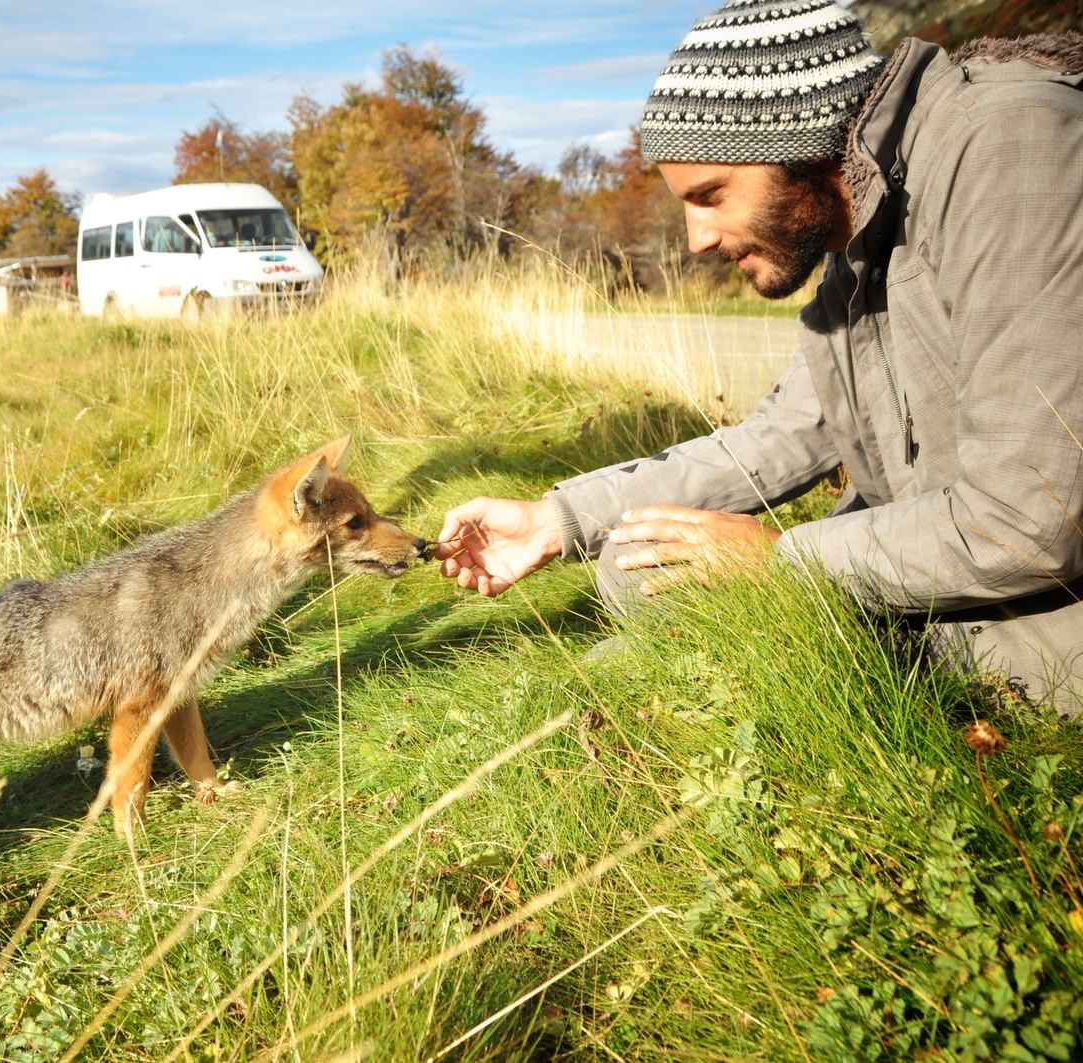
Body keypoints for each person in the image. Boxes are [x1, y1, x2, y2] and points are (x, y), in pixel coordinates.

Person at [435, 2, 1083, 716]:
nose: (696, 240)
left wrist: (780, 562)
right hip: (943, 565)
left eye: (711, 196)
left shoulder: (1006, 147)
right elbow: (780, 437)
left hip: (1044, 599)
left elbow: (1032, 522)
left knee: (657, 637)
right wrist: (557, 520)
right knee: (632, 564)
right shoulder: (855, 239)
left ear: (798, 141)